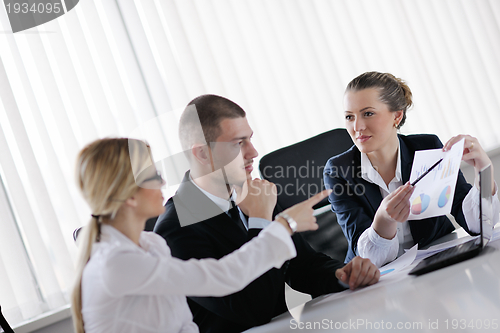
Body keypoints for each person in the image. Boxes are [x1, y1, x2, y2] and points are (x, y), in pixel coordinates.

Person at [154, 95, 380, 333]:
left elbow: (302, 265)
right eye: (238, 143)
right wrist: (260, 222)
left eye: (249, 139)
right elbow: (252, 309)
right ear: (201, 154)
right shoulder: (174, 230)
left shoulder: (252, 194)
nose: (253, 152)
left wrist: (341, 274)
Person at [71, 138, 338, 333]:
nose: (163, 183)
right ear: (129, 195)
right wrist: (281, 224)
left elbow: (183, 324)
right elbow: (222, 277)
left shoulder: (151, 245)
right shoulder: (116, 263)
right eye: (153, 175)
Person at [324, 71, 499, 267]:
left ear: (397, 116)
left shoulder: (427, 147)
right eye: (349, 117)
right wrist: (383, 221)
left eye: (368, 113)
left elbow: (479, 225)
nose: (357, 127)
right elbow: (368, 259)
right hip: (378, 282)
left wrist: (483, 172)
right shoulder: (339, 171)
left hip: (437, 264)